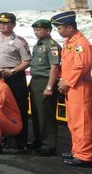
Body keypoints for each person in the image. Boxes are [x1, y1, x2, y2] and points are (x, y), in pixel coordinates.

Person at [52, 11, 92, 167]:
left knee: (81, 122)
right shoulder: (70, 42)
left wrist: (67, 82)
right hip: (72, 86)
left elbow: (81, 66)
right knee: (73, 121)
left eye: (60, 28)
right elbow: (67, 65)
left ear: (69, 27)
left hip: (80, 86)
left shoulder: (81, 44)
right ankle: (77, 151)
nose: (59, 31)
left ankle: (85, 156)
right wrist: (62, 79)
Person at [0, 12, 31, 151]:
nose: (2, 25)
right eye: (0, 22)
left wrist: (13, 71)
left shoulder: (19, 41)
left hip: (14, 77)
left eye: (6, 23)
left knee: (18, 108)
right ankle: (4, 138)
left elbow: (27, 61)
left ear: (13, 24)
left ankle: (21, 141)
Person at [27, 19, 61, 156]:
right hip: (35, 80)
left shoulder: (52, 46)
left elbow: (54, 67)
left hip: (45, 80)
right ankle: (38, 140)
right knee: (36, 113)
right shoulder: (38, 44)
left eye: (39, 30)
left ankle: (48, 145)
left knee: (46, 115)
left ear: (48, 30)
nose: (36, 33)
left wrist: (49, 87)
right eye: (35, 30)